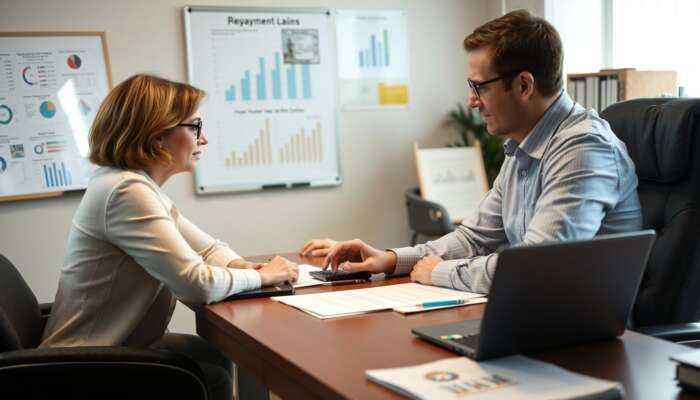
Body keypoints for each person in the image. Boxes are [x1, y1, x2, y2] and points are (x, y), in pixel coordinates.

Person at [300, 10, 641, 294]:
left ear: (524, 85)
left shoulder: (582, 148)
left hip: (587, 345)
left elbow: (534, 269)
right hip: (538, 322)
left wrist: (438, 273)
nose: (472, 101)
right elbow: (474, 237)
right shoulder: (524, 148)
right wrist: (390, 259)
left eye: (480, 87)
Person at [40, 74, 299, 400]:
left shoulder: (132, 184)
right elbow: (197, 283)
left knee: (212, 357)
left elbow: (206, 249)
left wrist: (241, 266)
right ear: (157, 136)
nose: (202, 140)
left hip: (110, 349)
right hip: (85, 368)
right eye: (195, 127)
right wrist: (260, 277)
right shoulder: (125, 191)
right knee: (211, 374)